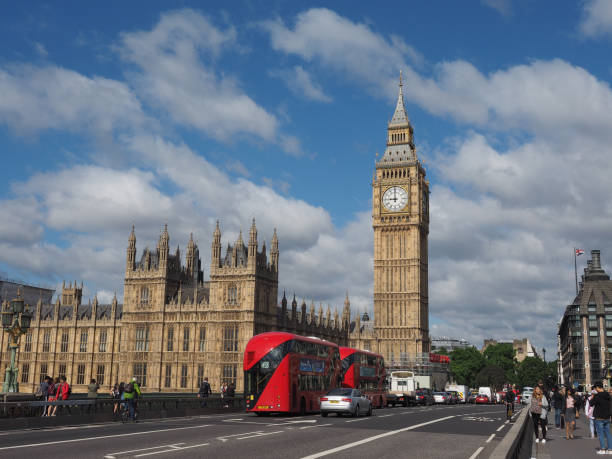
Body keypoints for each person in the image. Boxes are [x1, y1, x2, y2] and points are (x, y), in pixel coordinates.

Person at [591, 381, 612, 454]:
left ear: (597, 387)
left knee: (601, 434)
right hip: (607, 417)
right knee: (608, 434)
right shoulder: (608, 395)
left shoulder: (597, 396)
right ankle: (610, 449)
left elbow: (591, 404)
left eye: (595, 388)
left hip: (599, 417)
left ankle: (603, 449)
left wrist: (593, 396)